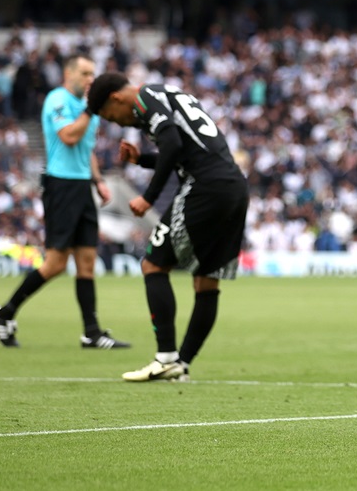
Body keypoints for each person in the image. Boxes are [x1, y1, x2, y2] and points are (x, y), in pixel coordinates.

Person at [86, 72, 249, 382]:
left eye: (112, 116)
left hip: (204, 188)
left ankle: (165, 357)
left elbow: (173, 145)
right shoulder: (167, 95)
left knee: (152, 265)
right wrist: (144, 159)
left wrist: (148, 198)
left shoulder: (146, 98)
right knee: (206, 281)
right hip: (234, 188)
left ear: (116, 99)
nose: (119, 123)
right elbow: (185, 150)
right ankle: (181, 363)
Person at [0, 54, 130, 350]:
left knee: (87, 262)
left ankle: (91, 332)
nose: (91, 78)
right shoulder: (58, 100)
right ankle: (5, 312)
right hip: (61, 185)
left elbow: (86, 147)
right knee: (55, 263)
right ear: (69, 74)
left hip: (81, 186)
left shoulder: (83, 108)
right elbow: (68, 137)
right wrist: (91, 111)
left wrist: (99, 180)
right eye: (85, 73)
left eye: (93, 73)